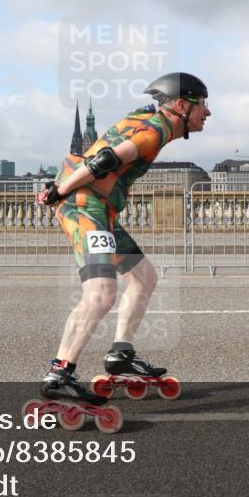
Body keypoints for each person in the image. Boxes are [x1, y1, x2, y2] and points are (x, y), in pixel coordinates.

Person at [35, 72, 212, 403]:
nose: (207, 111)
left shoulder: (150, 117)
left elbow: (106, 146)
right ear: (180, 106)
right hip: (85, 208)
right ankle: (60, 373)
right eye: (201, 104)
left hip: (101, 209)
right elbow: (106, 160)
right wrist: (59, 191)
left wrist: (59, 183)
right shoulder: (154, 131)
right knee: (101, 293)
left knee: (144, 277)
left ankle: (121, 354)